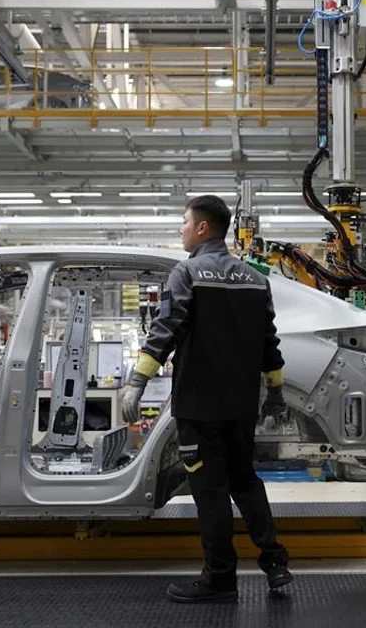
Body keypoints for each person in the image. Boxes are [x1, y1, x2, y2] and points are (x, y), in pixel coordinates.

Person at [119, 195, 292, 603]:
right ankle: (276, 565)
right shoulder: (256, 279)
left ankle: (220, 579)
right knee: (245, 481)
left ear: (202, 228)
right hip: (242, 405)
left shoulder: (187, 273)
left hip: (199, 406)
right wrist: (276, 393)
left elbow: (165, 329)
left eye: (184, 222)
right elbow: (269, 343)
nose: (180, 229)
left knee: (210, 491)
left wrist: (137, 382)